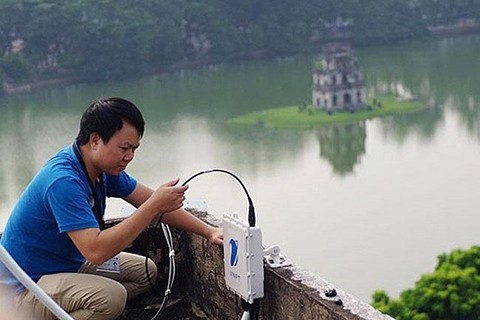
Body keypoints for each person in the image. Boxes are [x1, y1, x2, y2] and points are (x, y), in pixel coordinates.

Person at [0, 97, 223, 319]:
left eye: (134, 149)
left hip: (67, 265)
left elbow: (148, 199)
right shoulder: (63, 181)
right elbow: (96, 251)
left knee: (145, 272)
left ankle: (86, 307)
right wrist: (154, 206)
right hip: (22, 290)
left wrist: (209, 231)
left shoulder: (102, 168)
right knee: (111, 298)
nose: (129, 157)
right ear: (95, 140)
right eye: (124, 148)